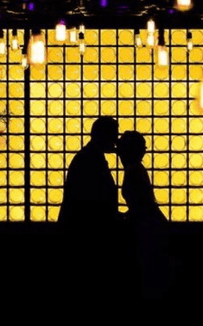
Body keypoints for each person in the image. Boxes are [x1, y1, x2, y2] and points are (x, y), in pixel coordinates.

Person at [57, 116, 122, 295]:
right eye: (114, 135)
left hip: (81, 233)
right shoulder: (91, 160)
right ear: (104, 135)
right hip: (86, 236)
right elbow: (93, 200)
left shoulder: (88, 157)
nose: (116, 140)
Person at [116, 130, 173, 300]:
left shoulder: (132, 170)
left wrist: (125, 217)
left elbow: (139, 204)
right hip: (150, 224)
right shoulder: (137, 169)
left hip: (145, 228)